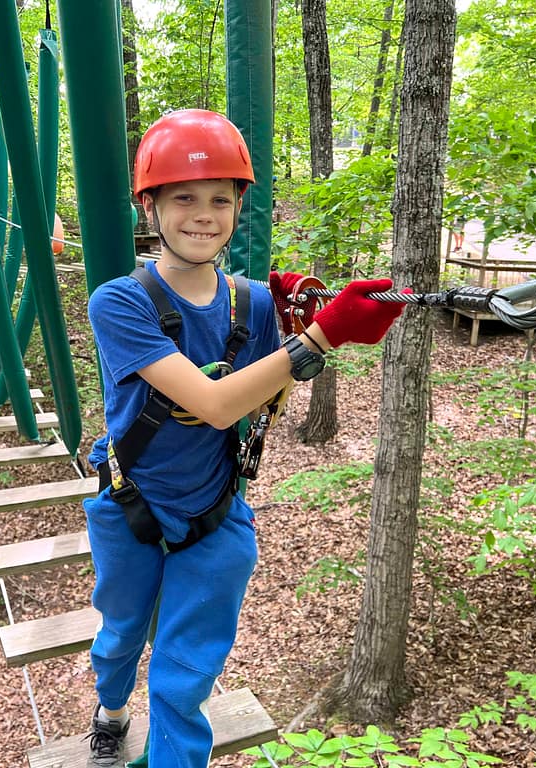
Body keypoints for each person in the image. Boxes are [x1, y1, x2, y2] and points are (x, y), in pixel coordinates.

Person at [83, 109, 406, 768]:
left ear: (238, 209)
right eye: (184, 199)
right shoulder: (119, 302)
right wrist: (320, 336)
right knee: (120, 635)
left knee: (182, 679)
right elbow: (212, 402)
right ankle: (111, 709)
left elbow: (263, 403)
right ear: (151, 206)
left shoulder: (252, 304)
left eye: (220, 201)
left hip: (215, 515)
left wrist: (288, 321)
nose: (204, 215)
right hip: (130, 504)